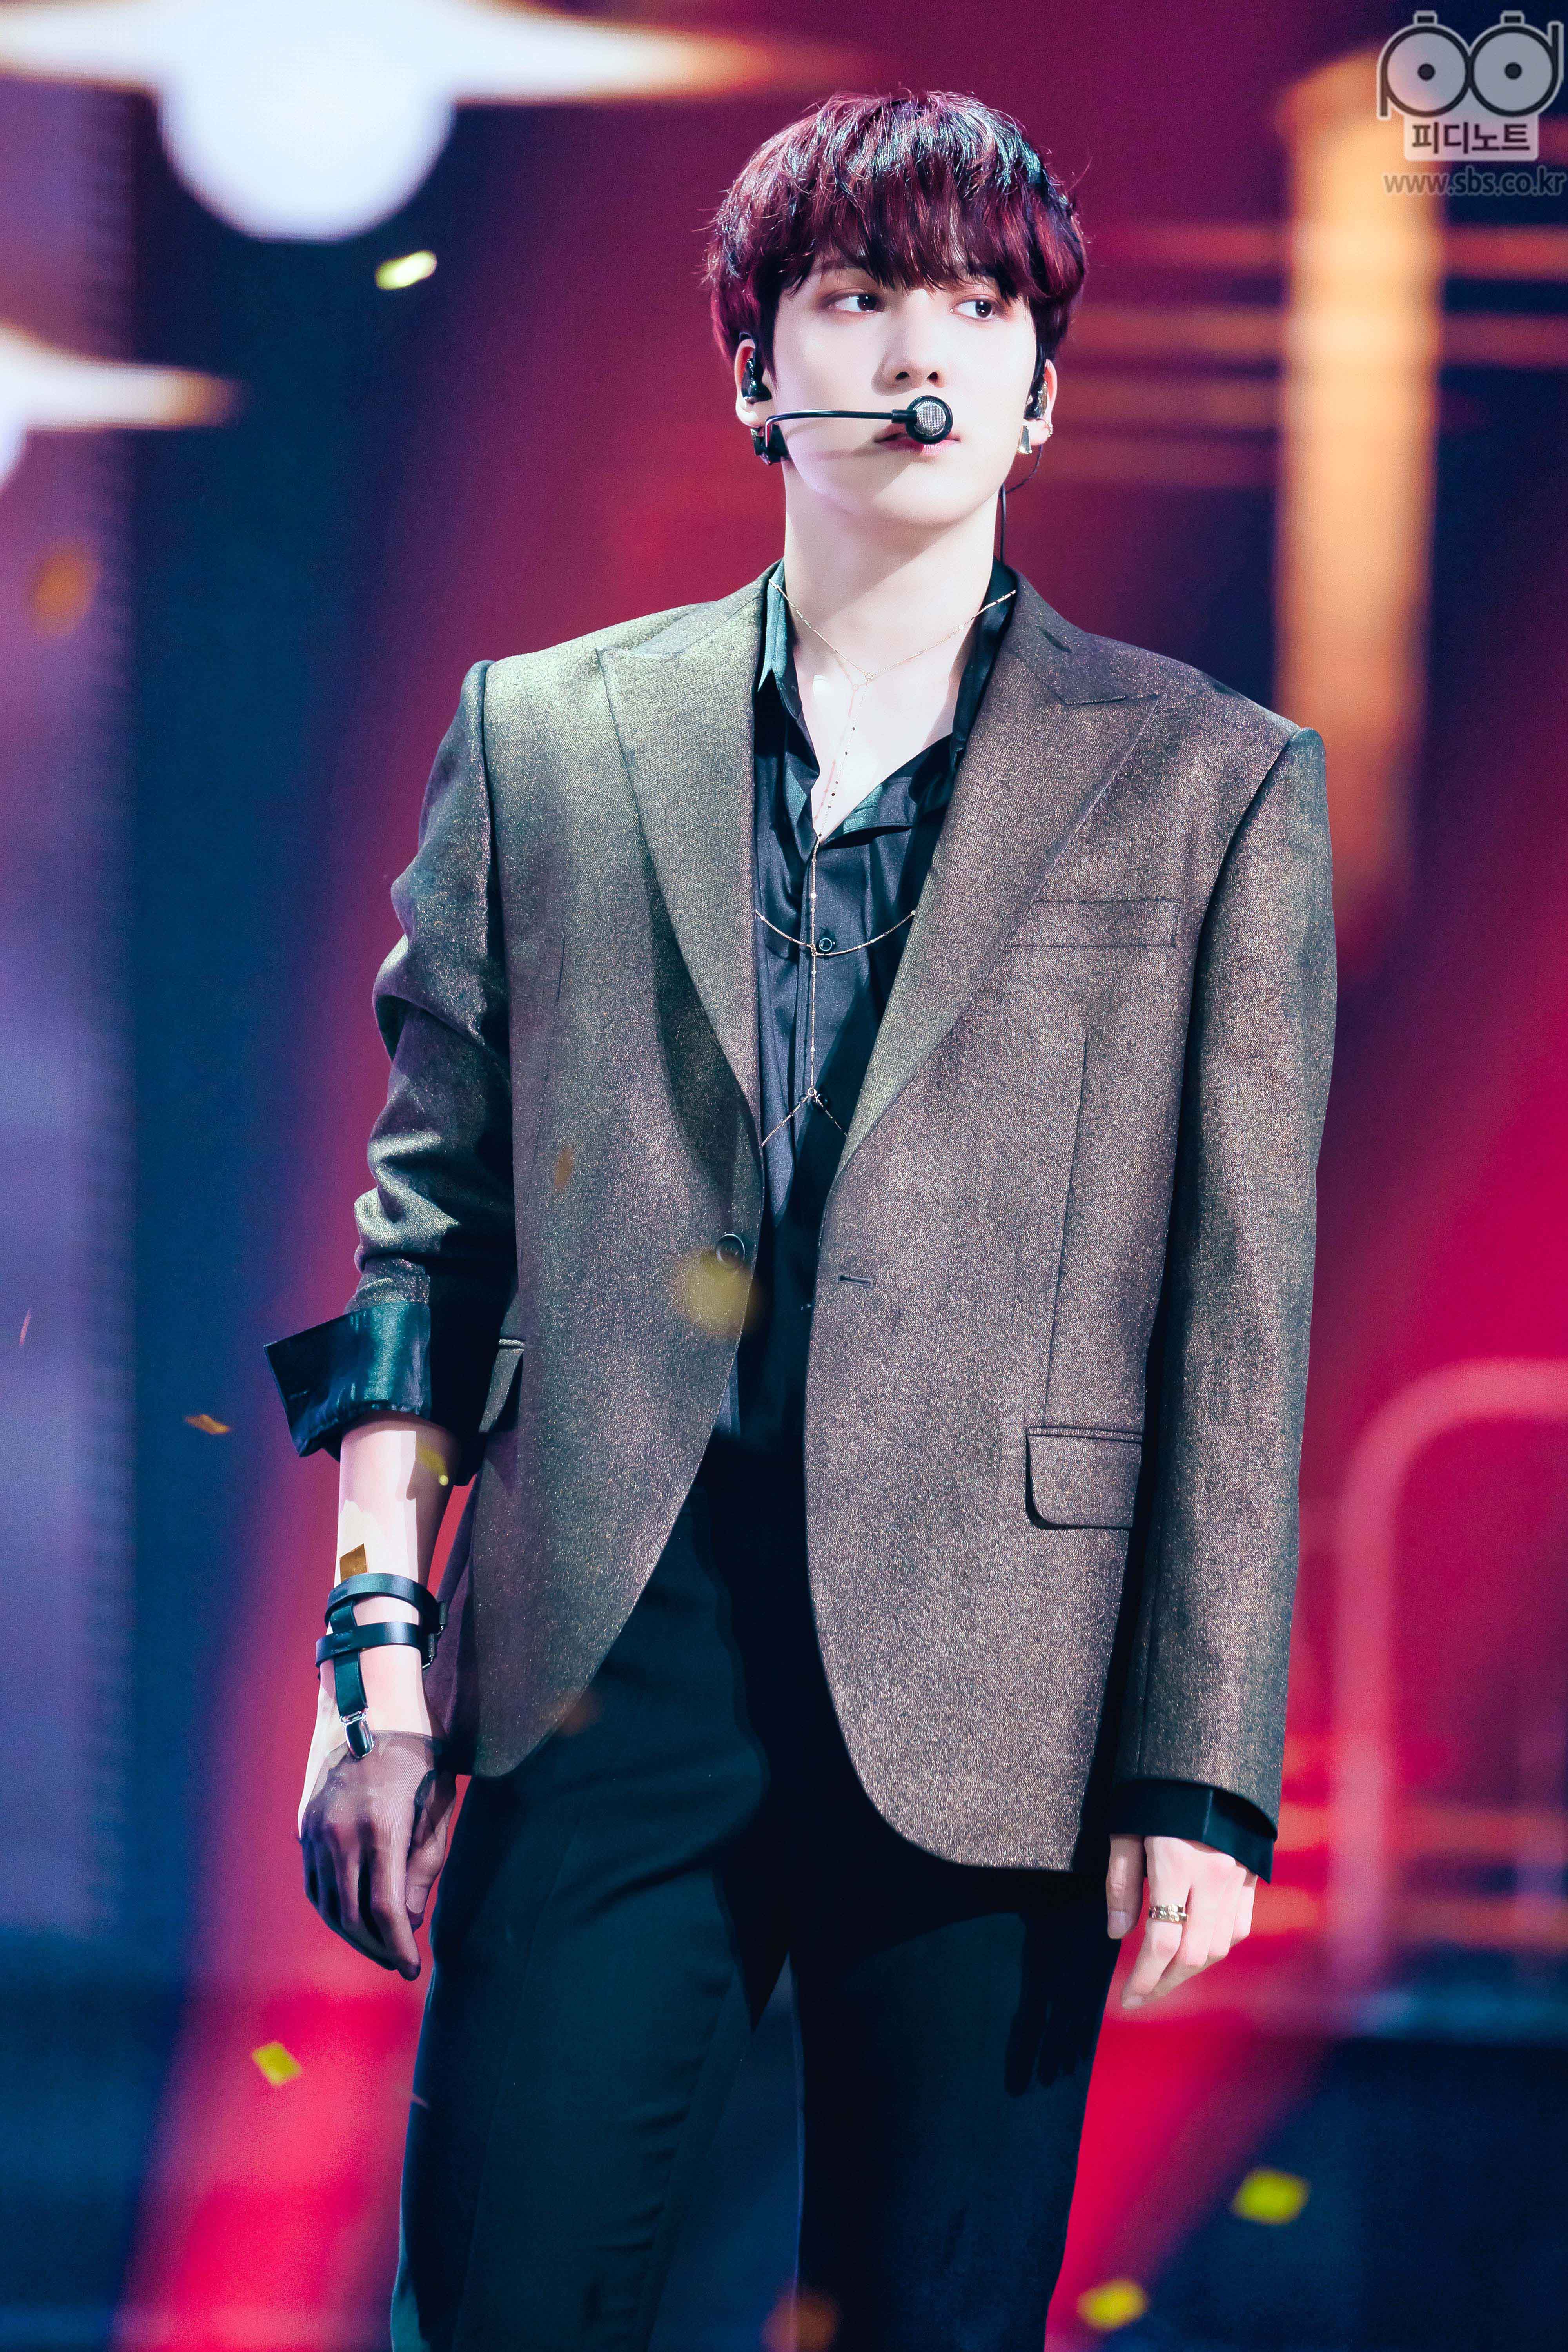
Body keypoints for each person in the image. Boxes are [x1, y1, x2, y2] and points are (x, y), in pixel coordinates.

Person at [266, 87, 1336, 2352]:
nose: (920, 348)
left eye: (979, 304)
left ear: (1043, 388)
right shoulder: (548, 736)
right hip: (603, 1649)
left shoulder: (1210, 782)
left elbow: (1237, 1314)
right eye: (859, 296)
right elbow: (428, 1238)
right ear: (760, 368)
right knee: (505, 2294)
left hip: (1005, 1683)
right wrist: (375, 1663)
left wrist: (1201, 1766)